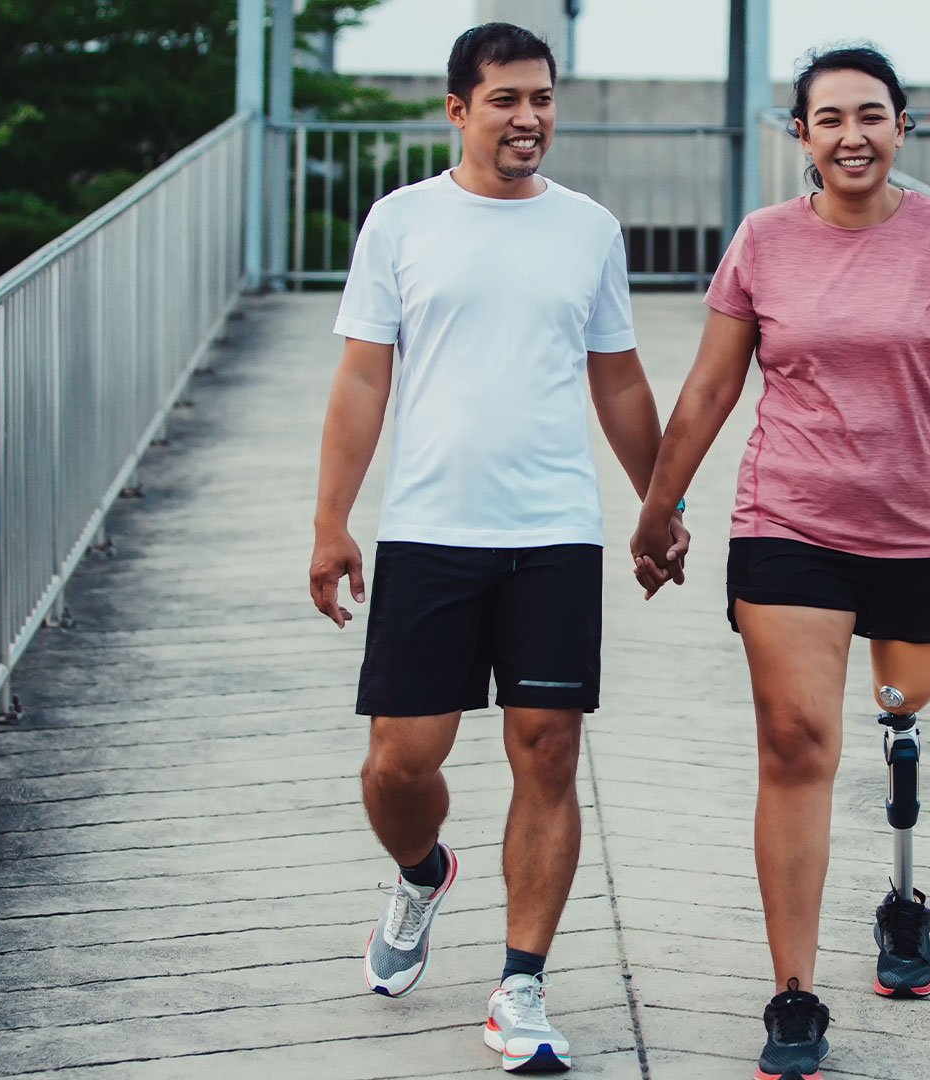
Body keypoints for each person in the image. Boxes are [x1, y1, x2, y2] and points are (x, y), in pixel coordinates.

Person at [627, 44, 930, 1080]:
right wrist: (660, 506)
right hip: (787, 521)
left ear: (903, 126)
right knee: (797, 741)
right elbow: (712, 391)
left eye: (872, 115)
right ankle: (795, 994)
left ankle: (901, 900)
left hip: (913, 529)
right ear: (801, 136)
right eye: (830, 118)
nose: (853, 134)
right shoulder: (762, 243)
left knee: (903, 698)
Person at [308, 22, 685, 1075]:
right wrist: (331, 521)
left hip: (554, 533)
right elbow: (362, 381)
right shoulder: (402, 223)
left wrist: (659, 505)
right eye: (507, 99)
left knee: (547, 751)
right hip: (430, 529)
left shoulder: (590, 230)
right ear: (459, 110)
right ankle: (423, 871)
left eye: (543, 99)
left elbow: (616, 377)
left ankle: (520, 985)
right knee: (398, 763)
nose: (529, 118)